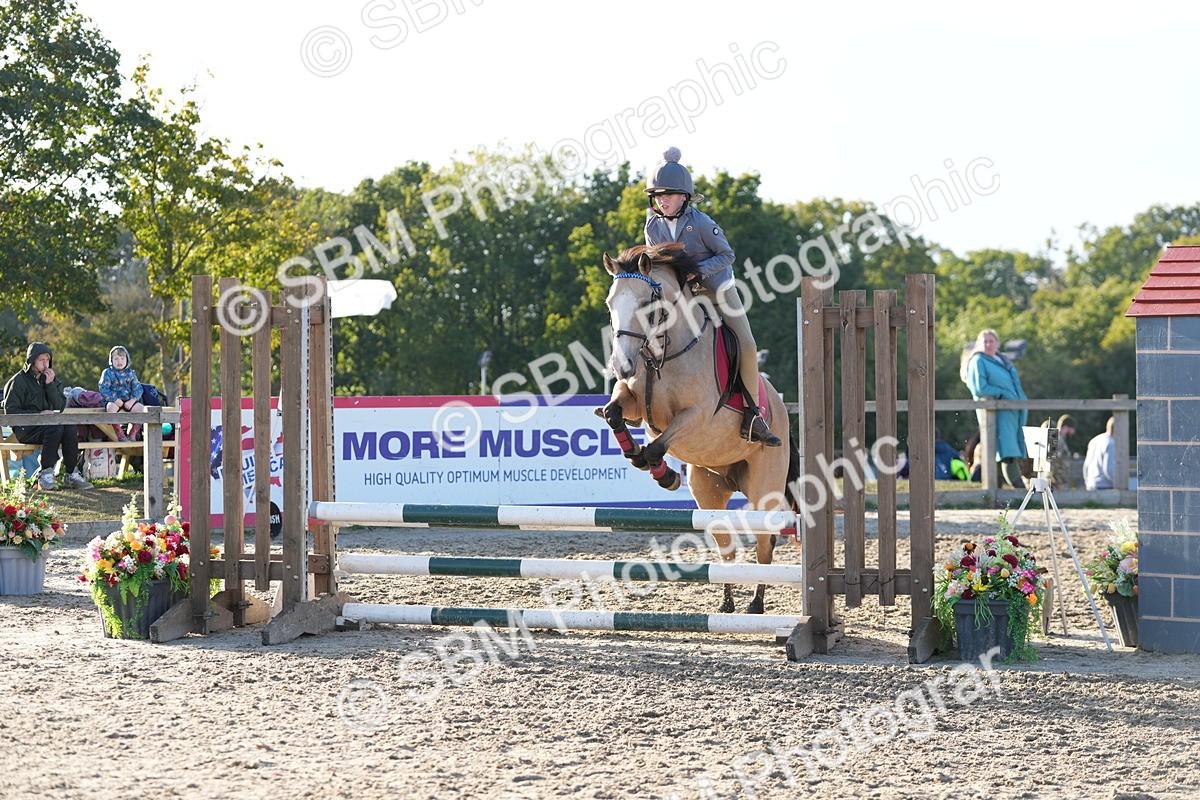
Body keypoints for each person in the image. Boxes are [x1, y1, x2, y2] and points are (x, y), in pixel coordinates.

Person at [643, 147, 780, 447]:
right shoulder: (652, 226)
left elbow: (727, 255)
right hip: (684, 297)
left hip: (718, 291)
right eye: (657, 195)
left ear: (685, 197)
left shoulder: (702, 223)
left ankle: (754, 415)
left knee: (746, 344)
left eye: (668, 194)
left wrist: (696, 271)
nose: (662, 200)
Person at [2, 342, 93, 491]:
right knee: (55, 428)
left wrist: (50, 385)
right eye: (41, 360)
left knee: (69, 428)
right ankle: (45, 475)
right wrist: (38, 415)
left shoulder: (52, 379)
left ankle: (71, 474)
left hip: (48, 427)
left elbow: (60, 407)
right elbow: (11, 413)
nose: (45, 364)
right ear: (31, 361)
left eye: (47, 360)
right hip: (26, 429)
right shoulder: (18, 381)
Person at [960, 328, 1028, 488]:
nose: (988, 344)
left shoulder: (1002, 361)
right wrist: (1003, 394)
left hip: (1012, 412)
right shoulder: (978, 361)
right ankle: (1018, 489)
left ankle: (997, 492)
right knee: (1006, 451)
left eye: (991, 341)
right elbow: (980, 388)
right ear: (978, 344)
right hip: (995, 412)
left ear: (997, 343)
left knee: (1006, 450)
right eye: (985, 341)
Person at [98, 345, 145, 441]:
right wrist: (115, 399)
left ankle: (133, 433)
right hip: (114, 400)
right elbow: (104, 388)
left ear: (127, 360)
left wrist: (132, 401)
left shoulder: (131, 373)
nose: (119, 361)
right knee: (110, 409)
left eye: (122, 358)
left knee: (142, 409)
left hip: (129, 400)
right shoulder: (107, 372)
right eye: (116, 359)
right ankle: (119, 432)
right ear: (111, 360)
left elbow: (138, 388)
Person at [1042, 414, 1078, 489]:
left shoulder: (1059, 439)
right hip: (1055, 484)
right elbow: (1052, 463)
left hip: (1057, 483)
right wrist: (1057, 482)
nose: (1073, 433)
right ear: (1066, 427)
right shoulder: (1056, 440)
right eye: (1072, 429)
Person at [1084, 417, 1116, 490]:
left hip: (1091, 484)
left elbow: (1086, 466)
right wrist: (1120, 485)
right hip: (1104, 487)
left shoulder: (1094, 440)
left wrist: (1087, 482)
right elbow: (1109, 469)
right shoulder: (1111, 443)